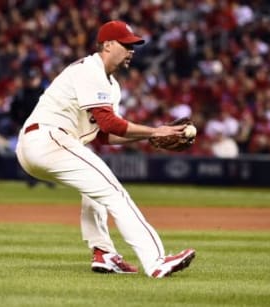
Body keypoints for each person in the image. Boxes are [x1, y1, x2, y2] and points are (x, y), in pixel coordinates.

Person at [15, 20, 195, 278]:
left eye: (133, 46)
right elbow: (111, 122)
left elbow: (103, 134)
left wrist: (147, 137)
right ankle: (156, 261)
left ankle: (104, 254)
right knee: (115, 193)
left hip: (44, 145)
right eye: (127, 45)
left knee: (96, 190)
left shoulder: (112, 86)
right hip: (48, 138)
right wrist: (155, 130)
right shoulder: (90, 69)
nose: (132, 51)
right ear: (108, 45)